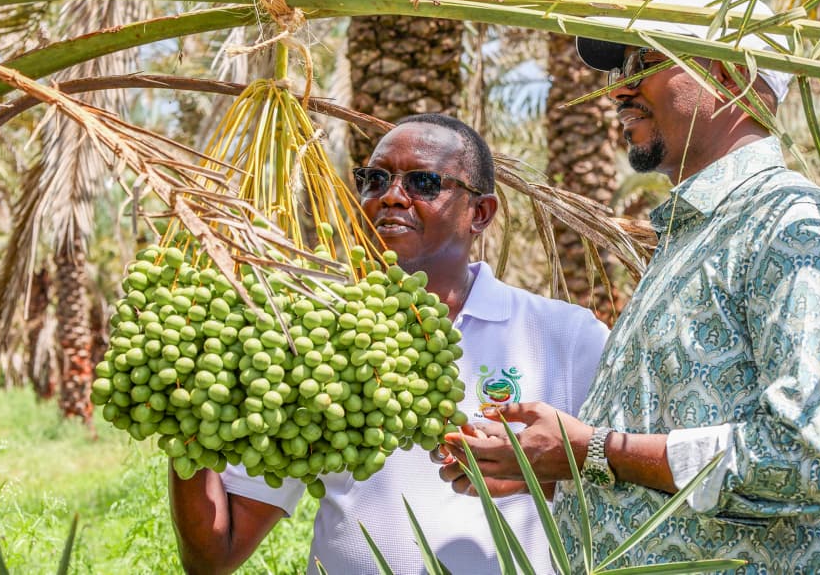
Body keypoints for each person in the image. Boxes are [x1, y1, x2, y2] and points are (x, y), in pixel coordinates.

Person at [439, 0, 820, 573]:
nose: (618, 91)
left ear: (730, 74)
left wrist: (589, 452)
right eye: (620, 71)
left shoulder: (791, 223)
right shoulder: (694, 237)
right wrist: (554, 469)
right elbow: (674, 460)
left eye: (644, 64)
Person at [169, 113, 610, 574]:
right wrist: (188, 400)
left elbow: (635, 486)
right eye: (374, 179)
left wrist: (554, 473)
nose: (392, 196)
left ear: (479, 213)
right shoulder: (313, 342)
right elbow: (214, 556)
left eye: (423, 182)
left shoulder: (565, 336)